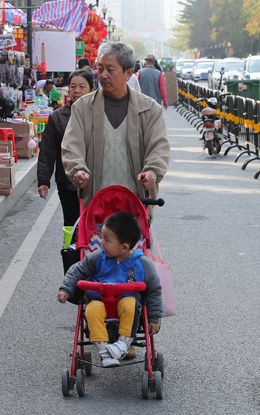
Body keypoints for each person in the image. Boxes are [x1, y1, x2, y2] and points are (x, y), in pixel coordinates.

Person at [61, 41, 170, 206]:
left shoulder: (149, 109)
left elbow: (159, 147)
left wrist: (152, 173)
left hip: (136, 205)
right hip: (95, 206)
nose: (103, 75)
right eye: (100, 68)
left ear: (128, 74)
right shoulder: (83, 107)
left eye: (110, 70)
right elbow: (71, 145)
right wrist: (77, 170)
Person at [57, 211, 163, 367]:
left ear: (124, 248)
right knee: (91, 309)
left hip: (126, 305)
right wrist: (66, 289)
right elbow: (77, 270)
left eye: (106, 240)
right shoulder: (98, 257)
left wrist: (154, 318)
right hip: (100, 301)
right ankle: (104, 351)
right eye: (102, 237)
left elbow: (154, 290)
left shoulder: (142, 264)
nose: (101, 243)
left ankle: (123, 344)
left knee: (130, 304)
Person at [37, 69, 94, 226]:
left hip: (95, 184)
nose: (77, 91)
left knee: (95, 228)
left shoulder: (100, 115)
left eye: (82, 86)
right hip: (68, 183)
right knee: (72, 225)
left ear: (92, 89)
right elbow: (48, 151)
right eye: (73, 86)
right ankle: (71, 251)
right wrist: (43, 180)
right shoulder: (57, 117)